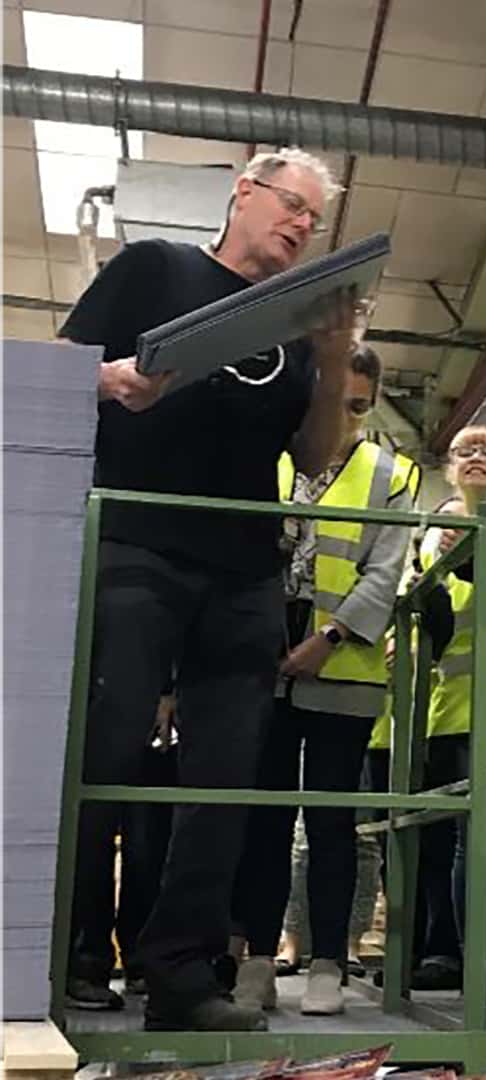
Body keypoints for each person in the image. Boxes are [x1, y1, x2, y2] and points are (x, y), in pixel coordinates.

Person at [59, 146, 358, 1031]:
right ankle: (64, 951)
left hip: (243, 570)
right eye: (291, 206)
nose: (301, 226)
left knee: (225, 776)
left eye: (314, 219)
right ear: (243, 193)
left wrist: (337, 354)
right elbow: (56, 370)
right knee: (107, 755)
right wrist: (114, 381)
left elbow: (310, 458)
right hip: (137, 547)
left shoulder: (298, 325)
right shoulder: (157, 267)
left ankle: (181, 973)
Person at [232, 345, 419, 1016]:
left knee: (333, 818)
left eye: (361, 406)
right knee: (266, 815)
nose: (347, 417)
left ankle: (326, 962)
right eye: (336, 401)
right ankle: (255, 956)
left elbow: (385, 569)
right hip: (264, 662)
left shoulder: (393, 475)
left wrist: (329, 638)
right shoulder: (268, 456)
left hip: (345, 669)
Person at [419, 425, 486, 999]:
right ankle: (470, 964)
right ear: (450, 466)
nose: (477, 457)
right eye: (465, 450)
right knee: (470, 841)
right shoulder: (438, 533)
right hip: (459, 708)